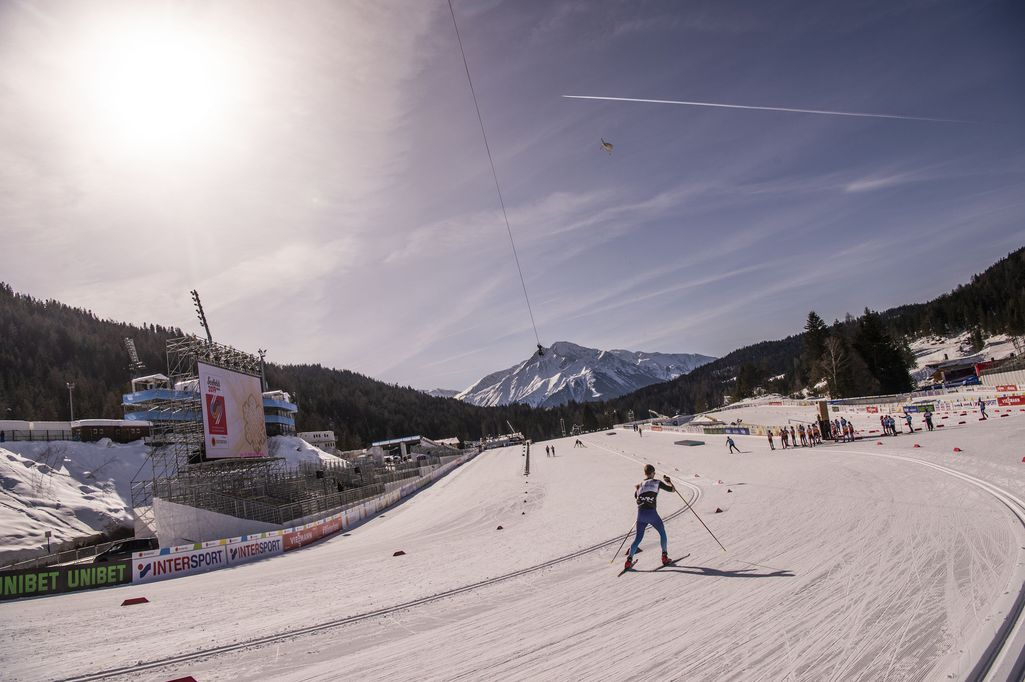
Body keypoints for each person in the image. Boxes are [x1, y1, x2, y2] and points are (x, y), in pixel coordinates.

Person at [625, 464, 675, 570]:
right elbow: (672, 490)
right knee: (662, 533)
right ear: (652, 473)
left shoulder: (639, 485)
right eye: (654, 473)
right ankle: (664, 557)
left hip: (641, 514)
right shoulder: (657, 482)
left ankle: (628, 561)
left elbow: (635, 496)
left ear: (645, 473)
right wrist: (668, 481)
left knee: (638, 539)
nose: (654, 474)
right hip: (652, 514)